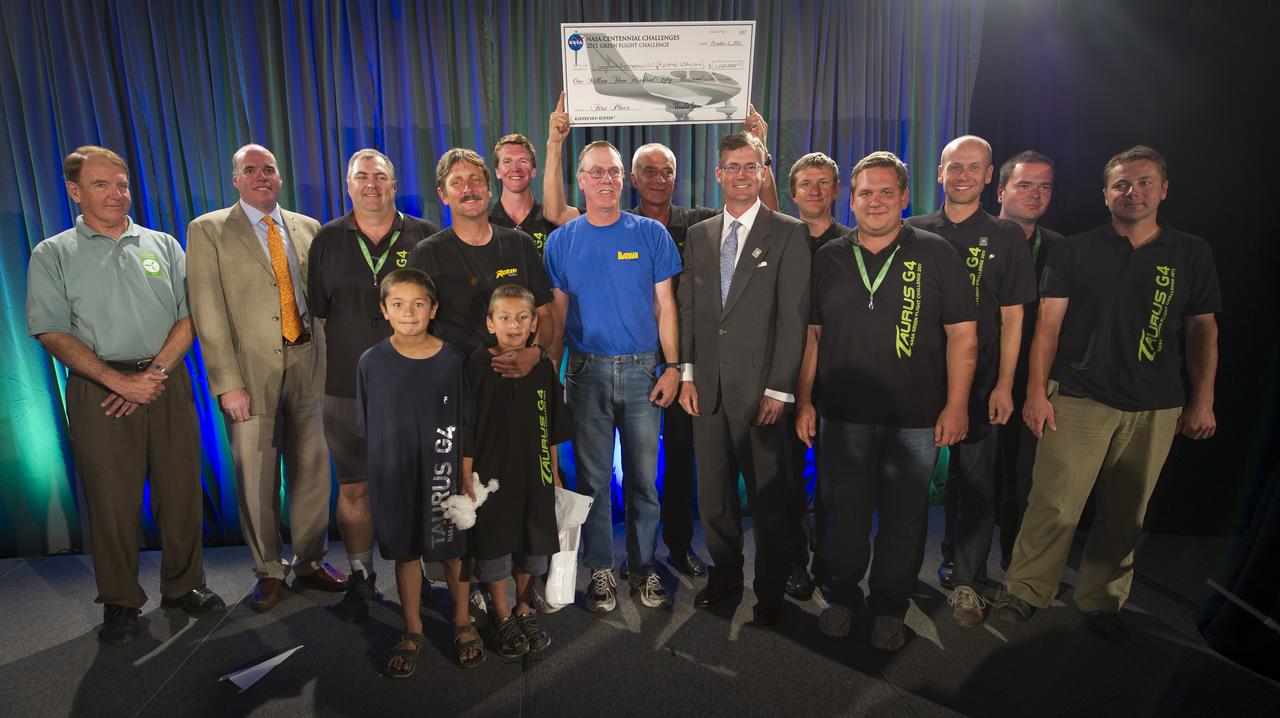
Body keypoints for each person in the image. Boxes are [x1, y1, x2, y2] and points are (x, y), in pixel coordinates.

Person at [541, 93, 780, 580]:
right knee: (598, 476)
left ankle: (664, 552)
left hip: (676, 364)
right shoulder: (576, 233)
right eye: (645, 171)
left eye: (665, 171)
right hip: (602, 368)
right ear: (629, 179)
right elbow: (554, 227)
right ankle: (604, 565)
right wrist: (555, 142)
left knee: (670, 467)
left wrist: (760, 147)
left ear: (675, 176)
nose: (656, 178)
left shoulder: (692, 224)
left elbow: (763, 217)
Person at [995, 146, 1220, 642]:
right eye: (1121, 184)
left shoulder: (1190, 253)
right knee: (1053, 504)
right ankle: (1027, 590)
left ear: (1163, 190)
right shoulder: (1073, 249)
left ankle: (1102, 599)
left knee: (1126, 512)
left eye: (1143, 182)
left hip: (1157, 403)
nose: (1132, 192)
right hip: (1077, 395)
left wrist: (1202, 398)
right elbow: (1047, 327)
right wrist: (1036, 392)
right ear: (1105, 195)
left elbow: (1203, 329)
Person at [27, 146, 224, 645]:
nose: (116, 194)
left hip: (167, 381)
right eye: (101, 185)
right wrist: (117, 382)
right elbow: (51, 331)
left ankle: (184, 587)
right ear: (75, 191)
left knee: (182, 493)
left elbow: (189, 315)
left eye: (122, 184)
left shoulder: (163, 244)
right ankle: (119, 601)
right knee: (112, 503)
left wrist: (153, 374)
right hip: (99, 390)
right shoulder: (52, 253)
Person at [796, 151, 977, 652]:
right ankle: (843, 597)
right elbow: (813, 336)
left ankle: (890, 607)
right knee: (843, 516)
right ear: (849, 200)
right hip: (842, 415)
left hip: (915, 418)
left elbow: (963, 336)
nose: (875, 201)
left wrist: (956, 405)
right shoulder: (829, 256)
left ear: (904, 197)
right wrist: (806, 401)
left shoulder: (937, 252)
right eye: (864, 193)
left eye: (885, 192)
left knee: (905, 519)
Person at [187, 144, 346, 612]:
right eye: (250, 170)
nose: (261, 176)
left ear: (280, 177)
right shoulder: (208, 229)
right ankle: (269, 570)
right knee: (255, 477)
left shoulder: (308, 227)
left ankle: (311, 561)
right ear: (235, 179)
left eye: (269, 169)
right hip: (248, 375)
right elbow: (207, 311)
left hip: (309, 364)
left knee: (313, 471)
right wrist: (225, 381)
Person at [543, 140, 682, 612]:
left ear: (624, 180)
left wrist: (674, 367)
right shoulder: (561, 240)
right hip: (586, 373)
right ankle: (601, 567)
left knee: (644, 480)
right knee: (594, 480)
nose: (606, 180)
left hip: (645, 371)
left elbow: (666, 306)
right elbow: (558, 320)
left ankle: (644, 569)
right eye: (596, 172)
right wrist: (549, 375)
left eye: (613, 172)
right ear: (580, 181)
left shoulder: (651, 235)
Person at [679, 132, 810, 626]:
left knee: (768, 501)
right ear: (718, 174)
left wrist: (780, 388)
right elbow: (691, 311)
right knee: (713, 496)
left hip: (762, 394)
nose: (739, 174)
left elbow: (794, 319)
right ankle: (726, 576)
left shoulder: (789, 233)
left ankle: (771, 589)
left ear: (762, 173)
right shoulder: (699, 234)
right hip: (707, 391)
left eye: (749, 166)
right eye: (730, 166)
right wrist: (687, 373)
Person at [907, 135, 1037, 626]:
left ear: (989, 177)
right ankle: (903, 575)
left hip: (983, 382)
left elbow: (1013, 318)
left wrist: (1006, 384)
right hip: (919, 381)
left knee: (976, 484)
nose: (963, 175)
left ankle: (967, 581)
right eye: (953, 167)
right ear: (939, 173)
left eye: (974, 168)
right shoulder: (912, 231)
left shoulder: (1007, 237)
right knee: (910, 487)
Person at [307, 148, 440, 621]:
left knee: (423, 486)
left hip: (417, 390)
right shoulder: (325, 240)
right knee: (355, 489)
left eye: (380, 176)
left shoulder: (425, 235)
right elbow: (320, 313)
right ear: (348, 186)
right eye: (361, 177)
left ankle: (422, 570)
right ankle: (361, 574)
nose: (371, 185)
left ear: (394, 183)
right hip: (347, 388)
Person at [356, 268, 476, 675]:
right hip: (395, 475)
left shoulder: (453, 359)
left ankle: (462, 621)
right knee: (406, 549)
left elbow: (466, 419)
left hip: (442, 469)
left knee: (454, 548)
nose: (409, 313)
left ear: (434, 308)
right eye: (398, 305)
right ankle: (412, 627)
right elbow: (368, 423)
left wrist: (464, 471)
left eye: (418, 304)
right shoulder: (371, 362)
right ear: (384, 310)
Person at [466, 285, 572, 658]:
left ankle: (523, 609)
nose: (514, 325)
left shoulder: (543, 367)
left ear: (533, 325)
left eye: (522, 318)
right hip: (491, 478)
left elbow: (554, 429)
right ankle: (500, 614)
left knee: (532, 547)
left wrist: (555, 474)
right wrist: (467, 477)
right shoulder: (477, 365)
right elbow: (466, 428)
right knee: (494, 547)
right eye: (505, 318)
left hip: (536, 475)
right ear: (490, 323)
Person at [783, 151, 853, 598]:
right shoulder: (776, 241)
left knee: (836, 480)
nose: (814, 190)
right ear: (792, 193)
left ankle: (828, 557)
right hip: (783, 378)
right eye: (806, 183)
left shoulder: (855, 242)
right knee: (787, 478)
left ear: (837, 190)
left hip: (838, 378)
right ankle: (794, 562)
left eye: (823, 182)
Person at [993, 150, 1065, 569]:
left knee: (1025, 475)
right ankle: (958, 558)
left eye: (1044, 187)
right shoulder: (971, 236)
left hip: (1032, 377)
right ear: (1001, 190)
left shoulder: (1061, 249)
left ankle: (1014, 561)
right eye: (1025, 185)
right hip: (977, 370)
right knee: (974, 474)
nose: (1035, 195)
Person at [487, 134, 559, 253]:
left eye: (523, 161)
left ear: (534, 171)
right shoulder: (485, 222)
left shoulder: (553, 221)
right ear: (497, 172)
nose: (515, 168)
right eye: (507, 162)